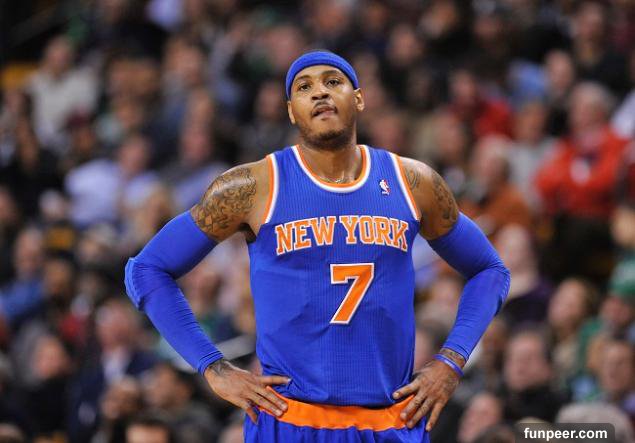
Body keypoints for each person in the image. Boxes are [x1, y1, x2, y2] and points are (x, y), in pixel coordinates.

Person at [124, 50, 510, 442]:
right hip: (291, 420)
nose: (320, 92)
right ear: (291, 111)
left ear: (358, 98)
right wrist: (212, 366)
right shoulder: (251, 187)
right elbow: (146, 269)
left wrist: (451, 361)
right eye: (304, 87)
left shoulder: (413, 182)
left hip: (392, 420)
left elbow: (490, 270)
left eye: (333, 81)